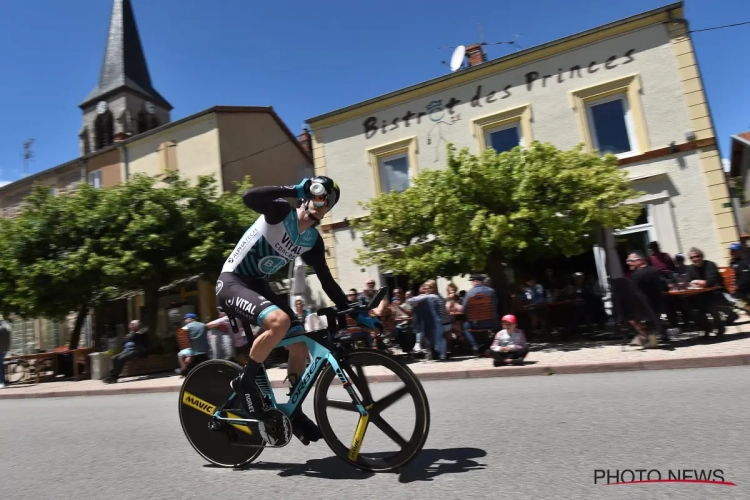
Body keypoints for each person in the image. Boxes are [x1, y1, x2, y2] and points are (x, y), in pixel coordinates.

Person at [215, 176, 379, 446]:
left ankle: (294, 410)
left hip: (258, 285)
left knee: (300, 342)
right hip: (232, 281)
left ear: (328, 210)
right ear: (309, 195)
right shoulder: (281, 212)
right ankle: (245, 382)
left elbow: (326, 280)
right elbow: (249, 197)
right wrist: (293, 189)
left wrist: (353, 312)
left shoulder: (312, 240)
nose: (322, 202)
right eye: (319, 195)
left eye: (328, 202)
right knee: (279, 321)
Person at [0, 320, 11, 389]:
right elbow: (8, 341)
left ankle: (2, 382)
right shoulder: (5, 329)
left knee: (0, 367)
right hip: (4, 350)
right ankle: (3, 381)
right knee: (1, 366)